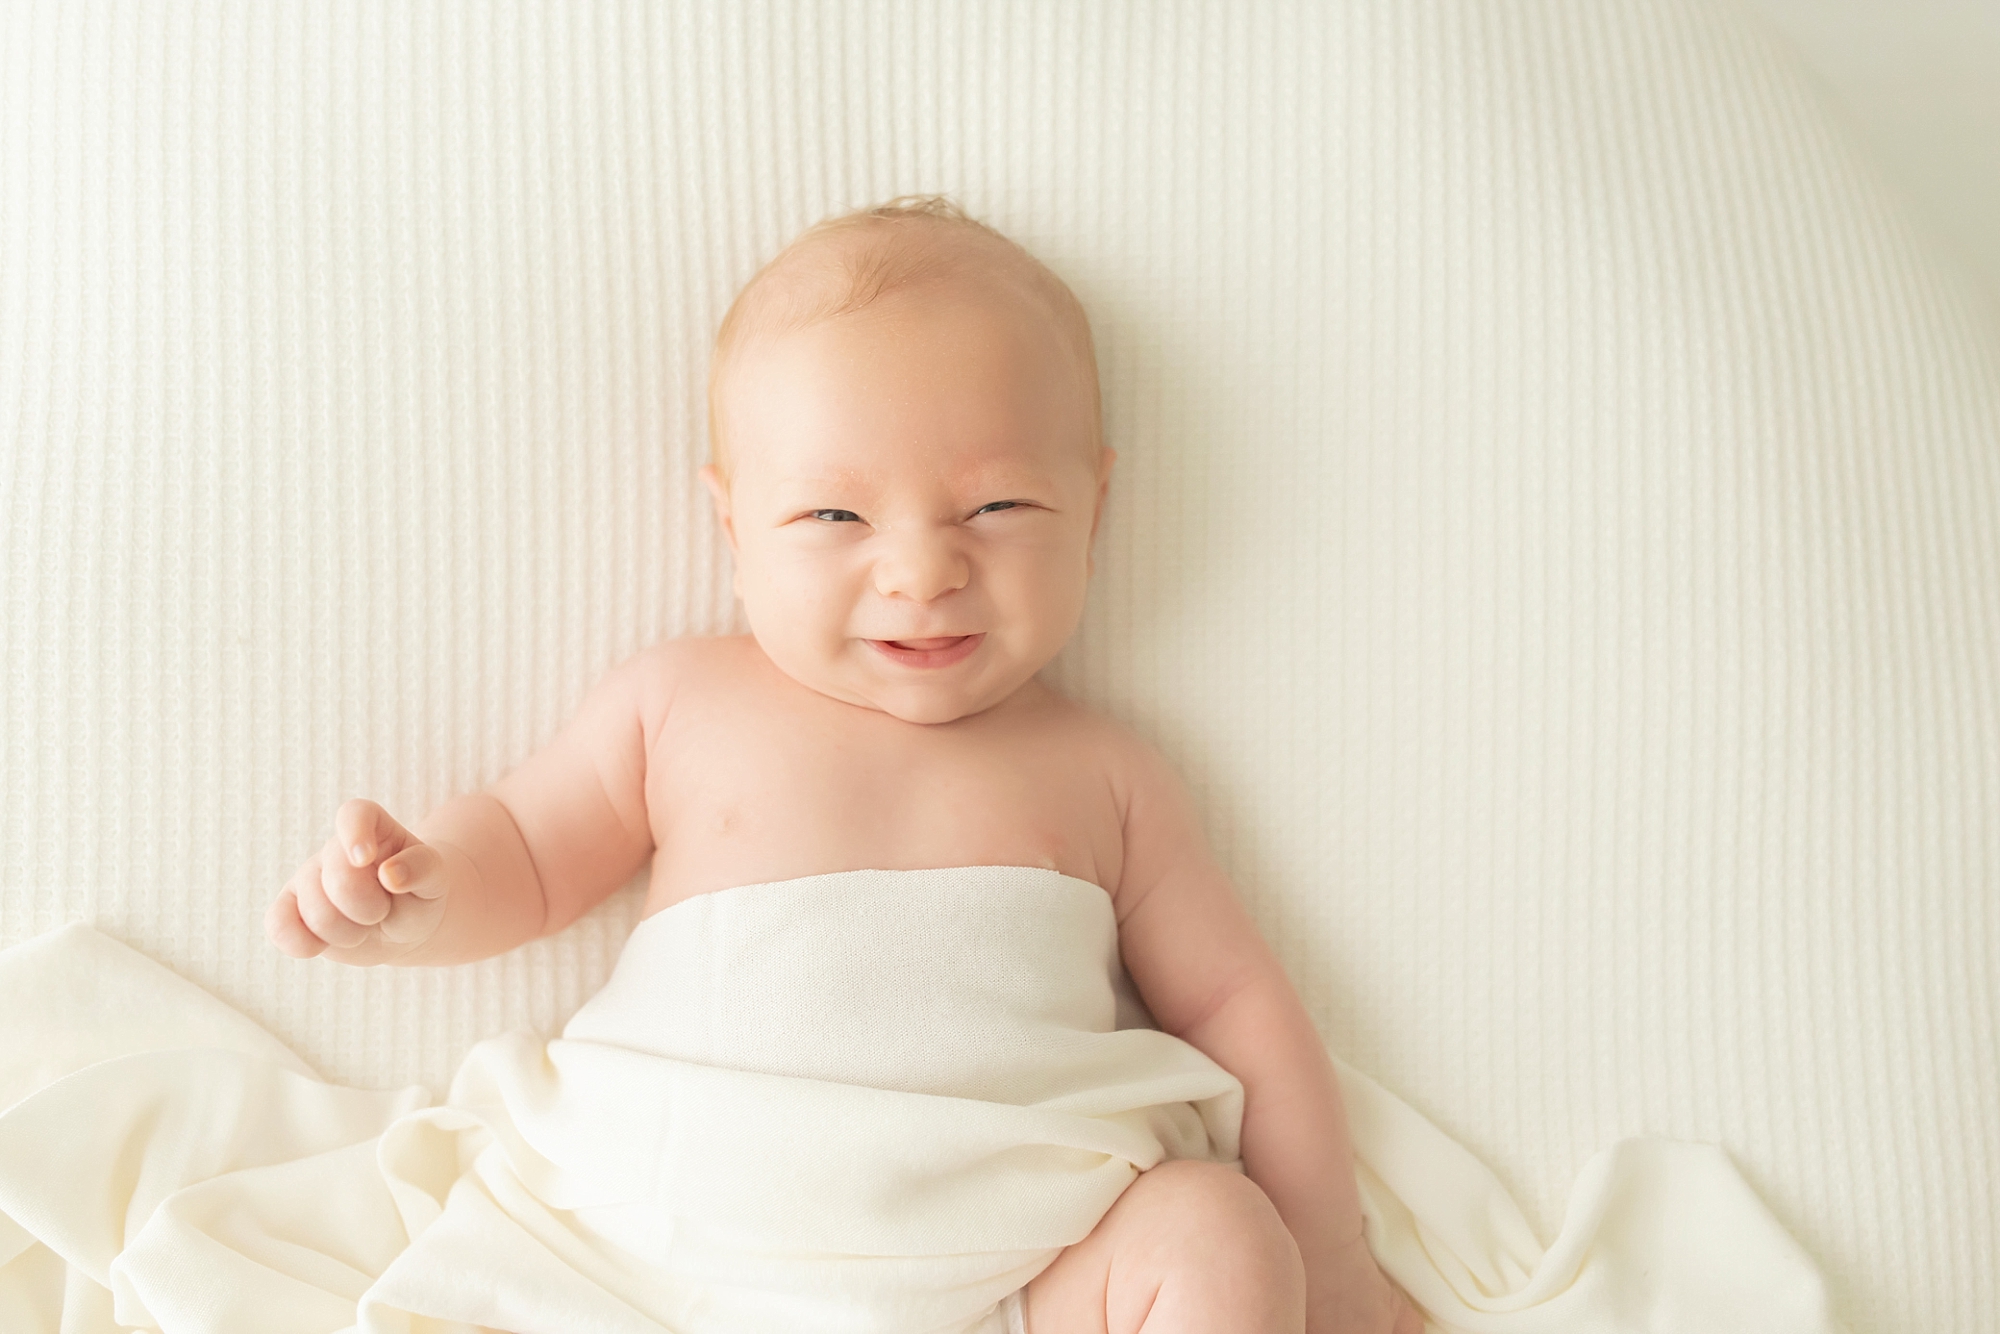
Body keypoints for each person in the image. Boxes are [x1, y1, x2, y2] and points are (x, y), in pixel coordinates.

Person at [267, 194, 1422, 1334]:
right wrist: (414, 894)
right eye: (831, 515)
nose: (921, 570)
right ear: (731, 530)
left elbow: (1236, 1007)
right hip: (659, 1261)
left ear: (1095, 506)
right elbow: (523, 852)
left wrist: (1326, 1258)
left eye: (996, 503)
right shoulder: (681, 702)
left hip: (1010, 1275)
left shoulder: (1106, 772)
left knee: (1216, 1235)